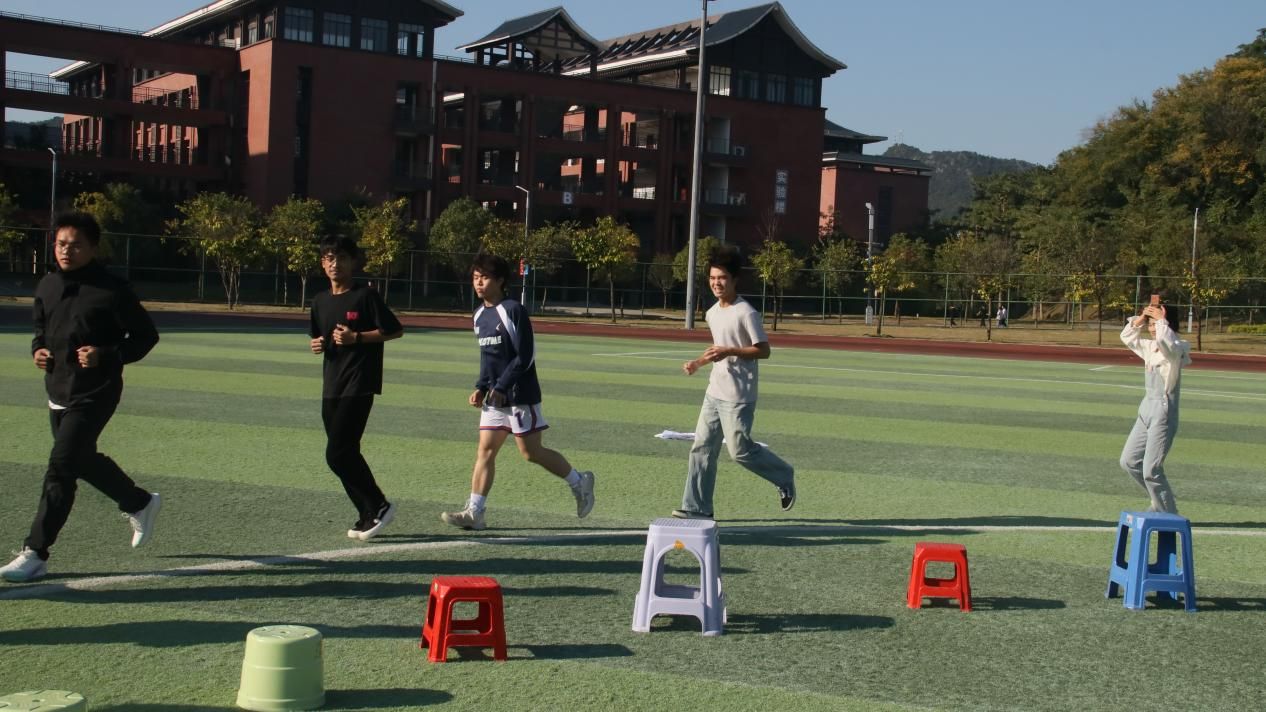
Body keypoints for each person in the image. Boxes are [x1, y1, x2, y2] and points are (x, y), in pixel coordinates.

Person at [1, 212, 161, 583]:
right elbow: (41, 331)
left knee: (60, 466)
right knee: (79, 460)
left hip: (96, 391)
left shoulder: (113, 290)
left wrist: (107, 354)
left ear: (92, 248)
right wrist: (38, 351)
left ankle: (35, 553)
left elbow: (145, 337)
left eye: (75, 245)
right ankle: (138, 502)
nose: (66, 251)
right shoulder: (47, 285)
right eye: (61, 244)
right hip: (57, 390)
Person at [440, 253, 595, 531]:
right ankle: (475, 512)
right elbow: (488, 357)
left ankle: (579, 481)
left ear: (500, 280)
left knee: (531, 452)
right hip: (495, 398)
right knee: (485, 451)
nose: (479, 283)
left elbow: (526, 355)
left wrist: (501, 386)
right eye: (475, 278)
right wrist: (481, 386)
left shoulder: (513, 310)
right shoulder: (479, 315)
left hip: (520, 394)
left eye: (484, 277)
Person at [674, 247, 795, 519]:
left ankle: (784, 475)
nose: (716, 283)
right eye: (712, 278)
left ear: (734, 279)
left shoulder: (746, 312)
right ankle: (697, 508)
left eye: (722, 278)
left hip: (738, 395)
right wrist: (697, 363)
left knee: (739, 451)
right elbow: (718, 349)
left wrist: (731, 351)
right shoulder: (712, 313)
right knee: (702, 448)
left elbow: (763, 350)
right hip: (714, 391)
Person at [309, 236, 404, 541]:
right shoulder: (319, 301)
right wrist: (318, 344)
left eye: (341, 258)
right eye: (329, 258)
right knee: (346, 453)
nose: (335, 264)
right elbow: (320, 337)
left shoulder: (365, 296)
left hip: (359, 384)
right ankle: (366, 512)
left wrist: (358, 338)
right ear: (323, 263)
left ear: (353, 262)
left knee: (337, 453)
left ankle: (379, 504)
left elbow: (394, 330)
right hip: (331, 385)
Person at [1118, 300, 1191, 514]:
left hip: (1163, 412)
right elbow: (1127, 337)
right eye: (1149, 325)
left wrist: (1161, 321)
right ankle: (1159, 500)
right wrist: (1141, 319)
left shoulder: (1177, 348)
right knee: (1129, 461)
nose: (1151, 329)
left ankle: (1169, 515)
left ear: (1168, 323)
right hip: (1146, 409)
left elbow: (1167, 343)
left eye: (1154, 324)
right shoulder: (1150, 347)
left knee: (1151, 470)